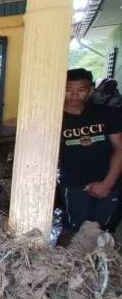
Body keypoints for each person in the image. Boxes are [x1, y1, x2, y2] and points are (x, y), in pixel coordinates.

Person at [58, 68, 122, 233]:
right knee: (75, 233)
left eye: (81, 90)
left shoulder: (107, 114)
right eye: (68, 90)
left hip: (108, 184)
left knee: (102, 234)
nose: (74, 95)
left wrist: (106, 184)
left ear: (90, 90)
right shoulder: (54, 118)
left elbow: (119, 148)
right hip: (73, 187)